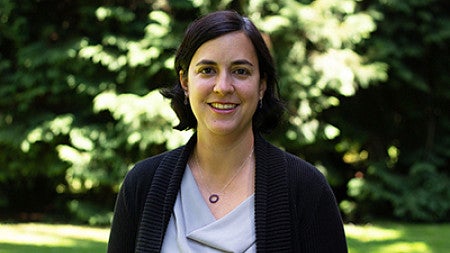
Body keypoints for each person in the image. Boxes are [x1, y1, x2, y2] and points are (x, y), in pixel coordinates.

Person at [107, 10, 347, 253]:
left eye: (240, 71)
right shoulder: (143, 184)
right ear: (185, 82)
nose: (223, 87)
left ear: (262, 85)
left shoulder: (306, 189)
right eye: (207, 70)